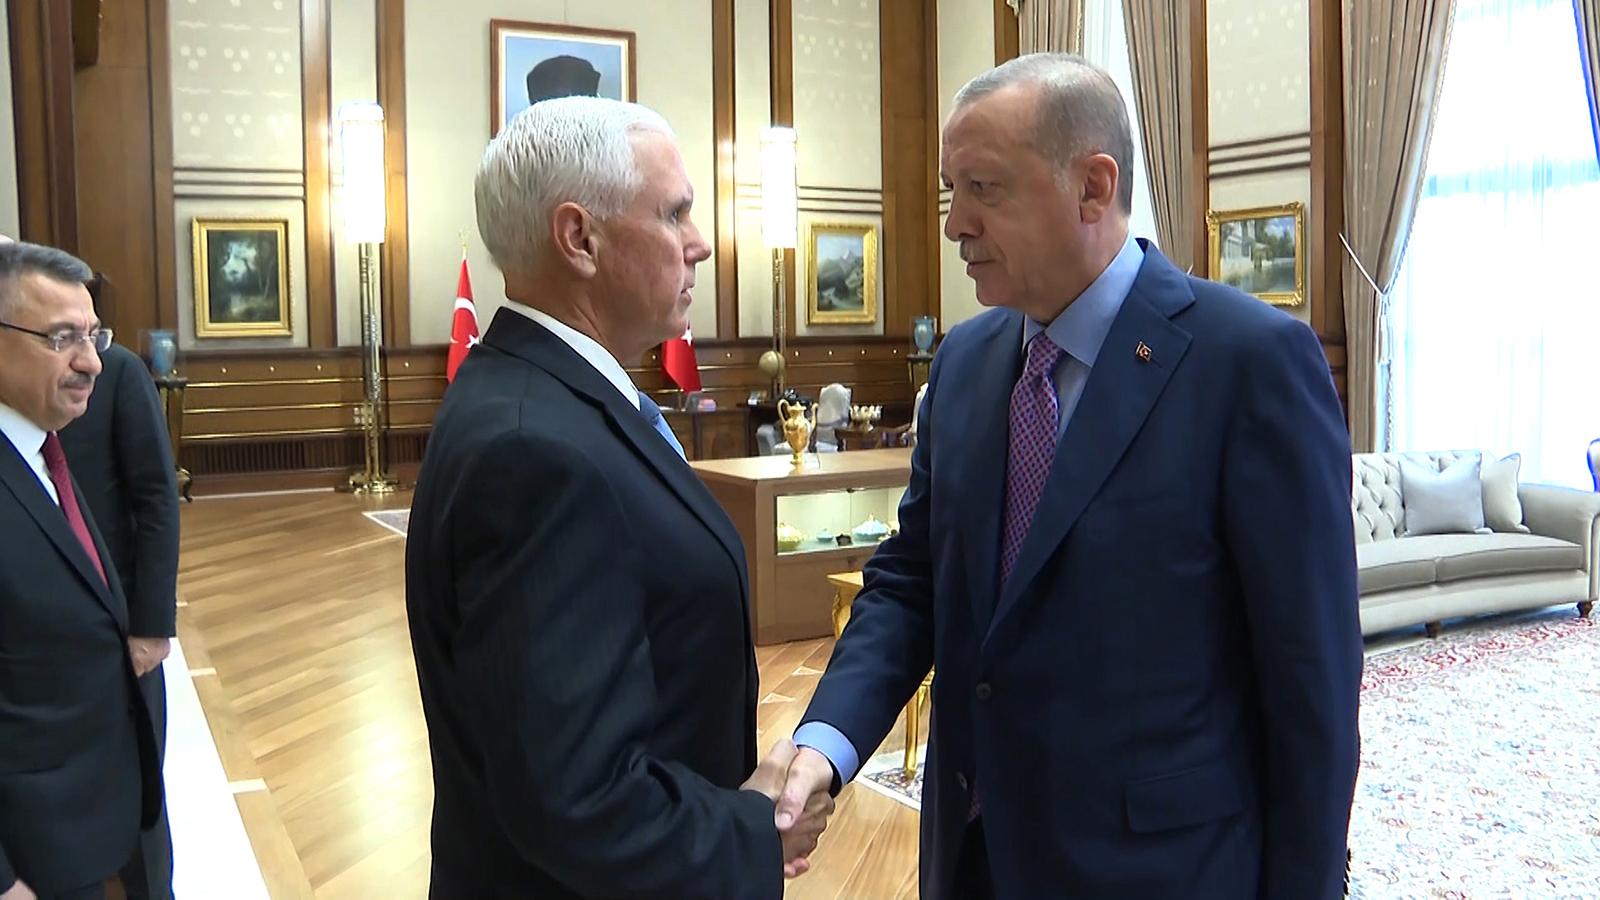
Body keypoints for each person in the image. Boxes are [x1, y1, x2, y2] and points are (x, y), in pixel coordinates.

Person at [776, 53, 1362, 898]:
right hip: (972, 861)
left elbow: (1311, 680)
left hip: (1160, 873)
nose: (954, 224)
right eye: (950, 190)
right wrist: (825, 745)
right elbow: (913, 583)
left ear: (1093, 187)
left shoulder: (1249, 363)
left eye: (984, 188)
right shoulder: (966, 362)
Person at [404, 97, 832, 897]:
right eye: (674, 214)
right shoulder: (535, 452)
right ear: (580, 238)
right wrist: (753, 830)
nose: (701, 242)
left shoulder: (541, 397)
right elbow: (577, 798)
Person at [0, 241, 163, 900]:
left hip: (86, 823)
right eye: (61, 337)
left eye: (93, 335)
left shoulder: (43, 451)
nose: (92, 361)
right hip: (31, 853)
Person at [59, 278, 180, 900]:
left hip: (121, 628)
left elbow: (157, 499)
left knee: (138, 796)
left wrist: (151, 627)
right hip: (41, 640)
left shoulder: (122, 375)